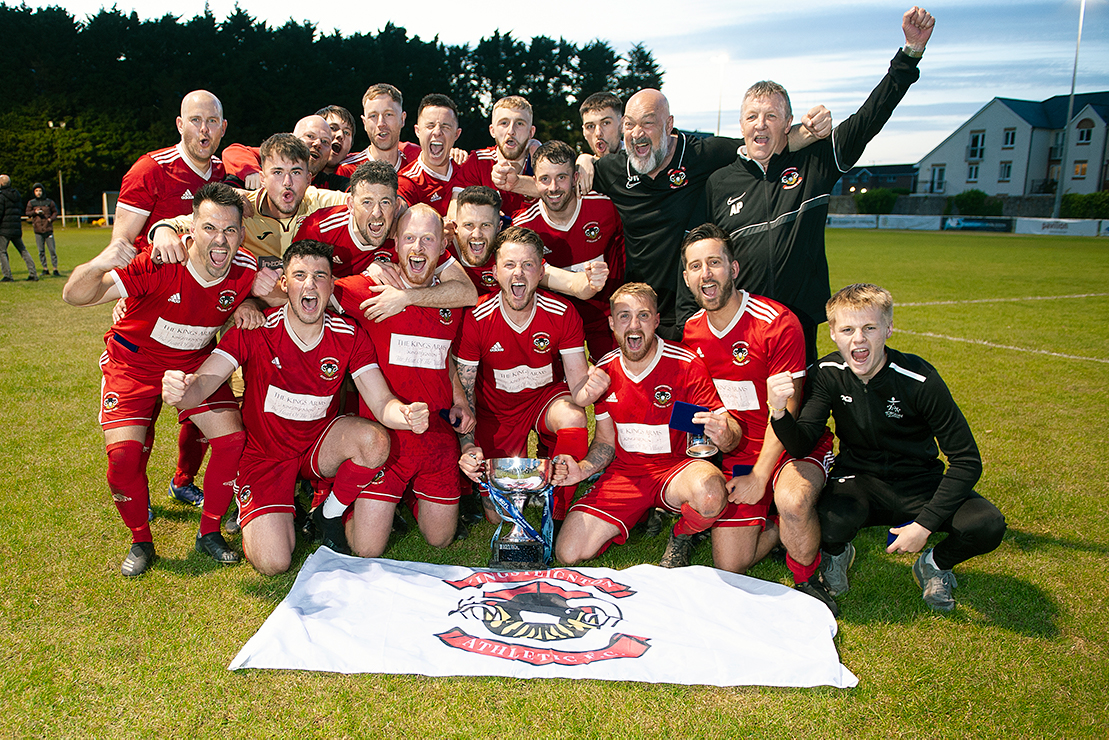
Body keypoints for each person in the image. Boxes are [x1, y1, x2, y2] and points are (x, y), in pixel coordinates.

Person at [161, 239, 430, 575]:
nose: (311, 284)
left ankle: (327, 512)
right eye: (300, 275)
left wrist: (403, 415)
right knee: (275, 563)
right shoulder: (256, 329)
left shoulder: (349, 335)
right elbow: (204, 382)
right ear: (285, 284)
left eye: (320, 276)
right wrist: (182, 392)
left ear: (332, 285)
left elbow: (380, 402)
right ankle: (264, 506)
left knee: (374, 442)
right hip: (266, 455)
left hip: (318, 446)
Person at [708, 6, 934, 364]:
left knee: (796, 416)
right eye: (752, 117)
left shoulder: (815, 163)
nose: (760, 125)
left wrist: (909, 54)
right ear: (740, 124)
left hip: (799, 321)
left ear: (788, 123)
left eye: (771, 116)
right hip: (739, 323)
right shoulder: (720, 182)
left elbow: (868, 118)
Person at [62, 183, 261, 576]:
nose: (220, 241)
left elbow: (259, 295)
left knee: (232, 438)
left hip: (192, 369)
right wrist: (100, 263)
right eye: (209, 229)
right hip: (132, 367)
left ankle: (209, 531)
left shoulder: (246, 268)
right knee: (122, 460)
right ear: (191, 229)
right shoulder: (160, 261)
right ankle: (140, 538)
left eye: (230, 231)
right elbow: (76, 295)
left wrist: (251, 303)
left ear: (242, 233)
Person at [768, 283, 1006, 612]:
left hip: (919, 481)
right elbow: (801, 443)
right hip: (860, 479)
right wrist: (778, 412)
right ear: (833, 334)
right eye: (848, 329)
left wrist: (924, 525)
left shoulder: (920, 379)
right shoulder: (827, 373)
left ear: (888, 329)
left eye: (870, 328)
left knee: (987, 525)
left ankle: (934, 564)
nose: (859, 339)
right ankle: (838, 555)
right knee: (826, 521)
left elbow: (967, 460)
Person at [679, 224, 837, 613]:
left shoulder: (776, 322)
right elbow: (698, 405)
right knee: (730, 565)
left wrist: (760, 477)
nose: (706, 274)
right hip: (739, 452)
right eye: (696, 266)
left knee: (793, 500)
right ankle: (782, 531)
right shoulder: (692, 330)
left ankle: (809, 577)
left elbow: (791, 411)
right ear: (686, 278)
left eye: (714, 263)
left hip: (790, 445)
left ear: (734, 268)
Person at [589, 89, 830, 338]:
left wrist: (809, 131)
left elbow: (759, 143)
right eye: (629, 124)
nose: (637, 133)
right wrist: (585, 162)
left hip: (694, 311)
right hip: (639, 314)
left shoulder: (702, 155)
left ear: (668, 124)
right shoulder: (611, 171)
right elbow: (560, 179)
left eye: (648, 123)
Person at [552, 283, 741, 566]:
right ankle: (640, 512)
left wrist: (725, 434)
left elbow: (729, 434)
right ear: (612, 323)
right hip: (626, 474)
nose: (634, 325)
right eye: (625, 316)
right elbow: (605, 441)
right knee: (568, 552)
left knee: (711, 494)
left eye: (643, 315)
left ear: (656, 320)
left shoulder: (685, 364)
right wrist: (583, 469)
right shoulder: (604, 372)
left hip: (677, 470)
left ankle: (682, 534)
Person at [107, 89, 228, 507]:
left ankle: (182, 479)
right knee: (143, 413)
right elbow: (121, 243)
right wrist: (126, 291)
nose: (204, 129)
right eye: (196, 120)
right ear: (180, 124)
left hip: (198, 317)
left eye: (212, 121)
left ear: (223, 128)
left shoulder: (226, 173)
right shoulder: (150, 169)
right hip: (152, 310)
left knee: (197, 402)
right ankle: (136, 489)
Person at [332, 205, 474, 556]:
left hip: (436, 438)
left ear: (443, 247)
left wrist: (460, 399)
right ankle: (347, 502)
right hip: (385, 439)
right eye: (409, 238)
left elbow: (446, 357)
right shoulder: (369, 289)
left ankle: (408, 498)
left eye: (428, 239)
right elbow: (312, 292)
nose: (418, 247)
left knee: (439, 539)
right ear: (394, 244)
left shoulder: (451, 298)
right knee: (367, 549)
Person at [454, 226, 601, 526]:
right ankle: (518, 485)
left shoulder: (562, 312)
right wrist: (468, 444)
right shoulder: (476, 318)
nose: (518, 274)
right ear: (494, 272)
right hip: (496, 411)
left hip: (544, 400)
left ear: (541, 271)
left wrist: (597, 385)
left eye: (527, 265)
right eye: (509, 265)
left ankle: (557, 513)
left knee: (573, 416)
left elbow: (578, 390)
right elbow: (464, 394)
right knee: (498, 516)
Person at [152, 134, 347, 269]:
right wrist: (163, 231)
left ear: (308, 179)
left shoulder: (320, 201)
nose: (287, 183)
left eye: (295, 173)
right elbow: (183, 223)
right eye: (278, 172)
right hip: (255, 310)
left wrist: (378, 261)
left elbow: (367, 203)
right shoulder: (241, 207)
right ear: (262, 178)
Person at [512, 140, 625, 358]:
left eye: (561, 177)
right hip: (554, 324)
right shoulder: (524, 225)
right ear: (534, 182)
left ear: (575, 178)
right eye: (545, 179)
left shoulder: (604, 207)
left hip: (603, 319)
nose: (553, 188)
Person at [453, 95, 537, 216]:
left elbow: (559, 193)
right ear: (492, 131)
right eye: (504, 123)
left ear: (531, 132)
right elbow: (455, 209)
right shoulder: (478, 161)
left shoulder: (543, 164)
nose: (511, 131)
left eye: (519, 123)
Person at [397, 94, 467, 217]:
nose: (437, 132)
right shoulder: (407, 182)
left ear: (457, 134)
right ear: (417, 131)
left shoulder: (468, 169)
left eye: (445, 127)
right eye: (430, 126)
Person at [221, 115, 335, 190]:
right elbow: (233, 151)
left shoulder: (333, 184)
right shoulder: (268, 160)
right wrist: (251, 172)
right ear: (293, 138)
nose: (318, 143)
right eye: (310, 136)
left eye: (325, 141)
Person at [339, 83, 423, 176]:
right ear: (364, 123)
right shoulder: (347, 170)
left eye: (388, 114)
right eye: (373, 116)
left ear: (402, 119)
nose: (381, 123)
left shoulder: (417, 166)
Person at [0, 175, 38, 282]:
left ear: (1, 183)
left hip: (4, 229)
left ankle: (7, 275)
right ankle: (33, 274)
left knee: (2, 251)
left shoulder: (1, 196)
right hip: (16, 228)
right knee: (23, 250)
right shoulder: (16, 194)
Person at [315, 104, 356, 192]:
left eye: (346, 132)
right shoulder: (294, 169)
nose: (340, 135)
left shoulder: (358, 175)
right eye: (333, 128)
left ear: (350, 145)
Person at [26, 183, 60, 276]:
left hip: (48, 229)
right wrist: (34, 212)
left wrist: (51, 219)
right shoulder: (31, 203)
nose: (38, 193)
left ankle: (55, 268)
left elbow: (55, 212)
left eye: (40, 191)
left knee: (52, 250)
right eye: (36, 191)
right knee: (41, 251)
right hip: (38, 230)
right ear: (34, 192)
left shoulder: (49, 202)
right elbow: (27, 212)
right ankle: (45, 268)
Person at [579, 92, 623, 158]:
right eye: (590, 126)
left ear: (622, 125)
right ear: (584, 132)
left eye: (605, 123)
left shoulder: (641, 159)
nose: (598, 133)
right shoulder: (580, 166)